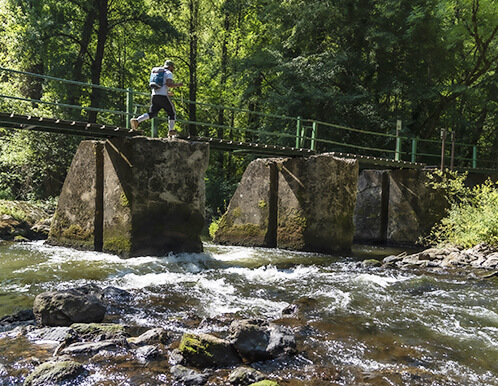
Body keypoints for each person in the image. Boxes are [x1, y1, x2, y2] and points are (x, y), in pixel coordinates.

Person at [130, 60, 183, 136]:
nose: (173, 69)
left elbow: (161, 87)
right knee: (172, 113)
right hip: (163, 96)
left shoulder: (159, 72)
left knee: (152, 113)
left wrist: (168, 93)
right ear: (170, 67)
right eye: (173, 67)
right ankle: (171, 131)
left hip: (154, 96)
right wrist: (179, 84)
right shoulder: (168, 73)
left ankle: (137, 121)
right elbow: (169, 84)